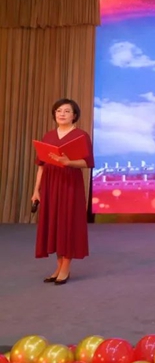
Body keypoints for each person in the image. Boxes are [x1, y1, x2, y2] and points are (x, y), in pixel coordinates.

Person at [32, 99, 94, 285]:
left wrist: (69, 163)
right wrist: (36, 190)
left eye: (67, 111)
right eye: (59, 110)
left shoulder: (81, 136)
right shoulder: (48, 136)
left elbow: (87, 163)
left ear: (74, 115)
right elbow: (41, 166)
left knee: (67, 223)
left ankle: (66, 267)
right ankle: (58, 266)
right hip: (50, 184)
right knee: (54, 223)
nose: (62, 114)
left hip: (69, 184)